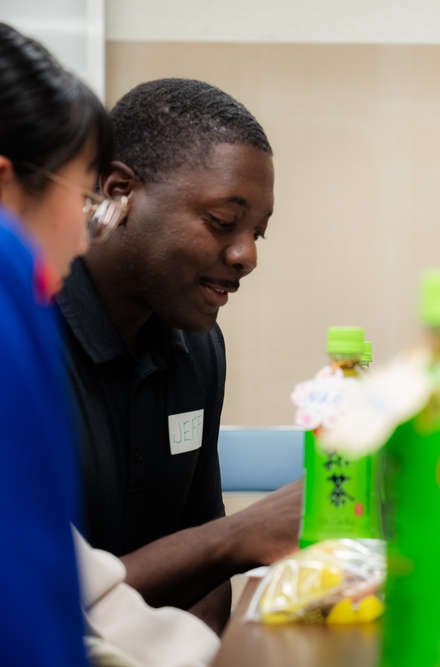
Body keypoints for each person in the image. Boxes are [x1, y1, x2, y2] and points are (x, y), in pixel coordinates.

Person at [0, 22, 219, 667]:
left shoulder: (198, 346)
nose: (86, 233)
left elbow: (72, 583)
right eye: (82, 197)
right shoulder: (22, 308)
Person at [56, 77, 302, 632]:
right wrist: (241, 535)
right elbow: (38, 603)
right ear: (119, 192)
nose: (245, 256)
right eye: (222, 222)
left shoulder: (199, 346)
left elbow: (204, 553)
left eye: (258, 233)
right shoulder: (28, 342)